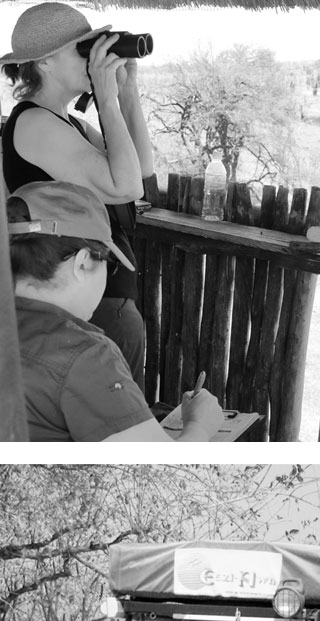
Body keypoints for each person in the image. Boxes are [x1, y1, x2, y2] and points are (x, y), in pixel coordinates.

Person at [1, 1, 154, 386]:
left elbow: (141, 168)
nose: (92, 58)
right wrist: (103, 95)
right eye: (82, 48)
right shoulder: (34, 122)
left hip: (96, 293)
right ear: (45, 62)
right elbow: (126, 186)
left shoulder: (71, 125)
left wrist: (126, 91)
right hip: (77, 298)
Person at [9, 180, 223, 442]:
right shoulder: (85, 357)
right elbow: (155, 472)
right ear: (84, 262)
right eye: (109, 265)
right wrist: (200, 424)